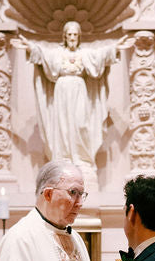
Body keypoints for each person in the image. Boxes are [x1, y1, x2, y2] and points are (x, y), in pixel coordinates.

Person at [14, 21, 128, 173]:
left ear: (79, 36)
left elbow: (101, 55)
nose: (72, 37)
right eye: (69, 34)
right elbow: (42, 54)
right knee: (63, 124)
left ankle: (81, 158)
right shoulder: (58, 54)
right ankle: (64, 158)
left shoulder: (84, 54)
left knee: (80, 123)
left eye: (75, 34)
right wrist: (29, 46)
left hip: (79, 90)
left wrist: (116, 47)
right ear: (65, 36)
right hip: (62, 90)